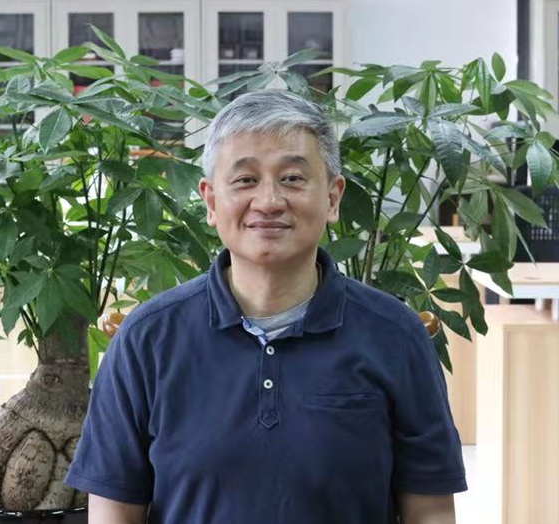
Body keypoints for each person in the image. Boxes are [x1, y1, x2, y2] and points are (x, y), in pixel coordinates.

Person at [64, 89, 467, 524]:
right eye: (245, 180)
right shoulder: (147, 339)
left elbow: (430, 512)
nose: (269, 201)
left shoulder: (395, 335)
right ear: (211, 202)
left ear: (333, 198)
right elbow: (113, 513)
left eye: (292, 178)